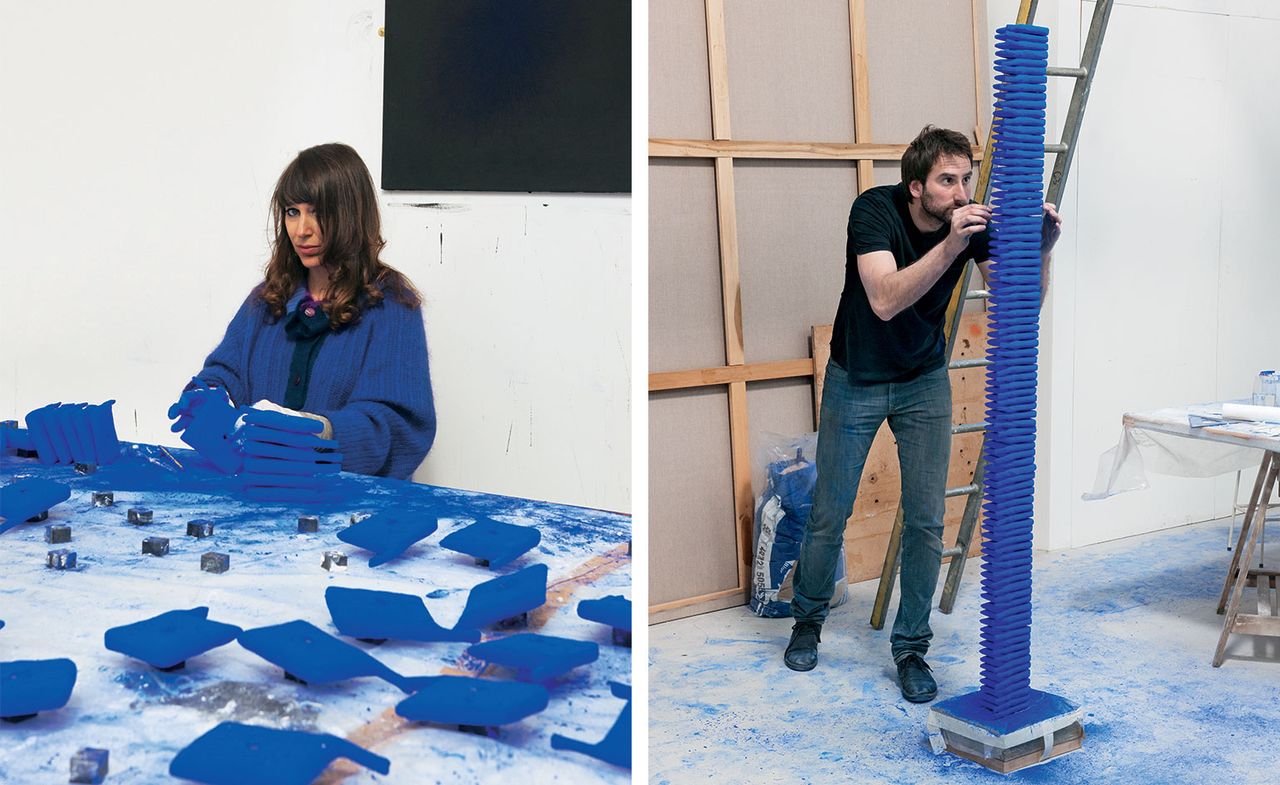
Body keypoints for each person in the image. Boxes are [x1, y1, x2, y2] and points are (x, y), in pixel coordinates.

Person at [782, 126, 1062, 702]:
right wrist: (953, 245)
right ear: (916, 187)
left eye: (966, 178)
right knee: (829, 512)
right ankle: (807, 622)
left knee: (927, 520)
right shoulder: (874, 211)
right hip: (855, 377)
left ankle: (911, 647)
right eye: (947, 181)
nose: (962, 193)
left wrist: (1040, 250)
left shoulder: (970, 225)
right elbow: (884, 299)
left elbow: (1021, 306)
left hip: (922, 381)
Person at [170, 143, 436, 480]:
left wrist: (317, 431)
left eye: (317, 212)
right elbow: (225, 373)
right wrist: (208, 398)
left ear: (351, 214)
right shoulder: (266, 300)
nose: (301, 230)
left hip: (350, 512)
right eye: (292, 212)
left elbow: (396, 426)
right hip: (261, 501)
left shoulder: (392, 306)